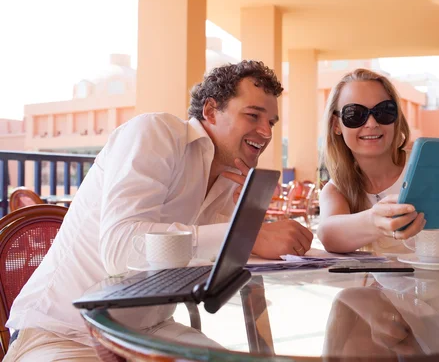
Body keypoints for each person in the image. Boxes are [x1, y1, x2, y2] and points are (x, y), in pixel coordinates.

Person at [5, 60, 313, 361]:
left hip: (148, 331)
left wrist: (248, 230)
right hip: (63, 332)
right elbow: (121, 249)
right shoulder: (156, 133)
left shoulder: (227, 181)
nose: (266, 132)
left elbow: (208, 266)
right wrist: (245, 236)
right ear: (210, 111)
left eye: (270, 122)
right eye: (253, 115)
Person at [317, 68, 439, 262]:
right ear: (336, 125)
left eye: (384, 111)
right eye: (355, 114)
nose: (371, 123)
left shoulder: (434, 171)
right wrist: (374, 220)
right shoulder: (338, 190)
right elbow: (328, 234)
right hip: (374, 295)